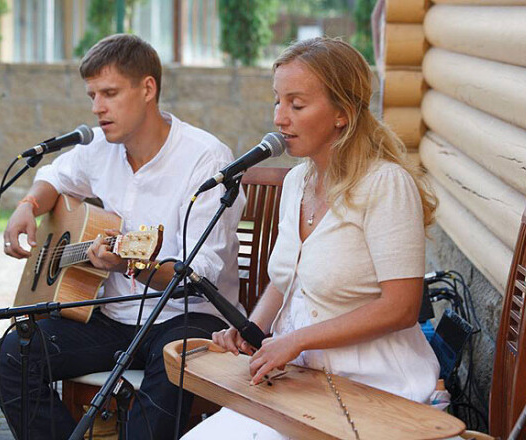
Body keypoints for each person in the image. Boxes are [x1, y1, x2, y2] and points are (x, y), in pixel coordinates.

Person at [0, 34, 244, 440]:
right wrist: (28, 206)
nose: (96, 107)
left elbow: (199, 273)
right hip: (112, 317)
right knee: (6, 359)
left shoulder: (206, 159)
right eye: (91, 94)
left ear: (148, 88)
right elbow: (54, 175)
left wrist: (129, 265)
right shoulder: (100, 148)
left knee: (175, 364)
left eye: (109, 93)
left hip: (186, 319)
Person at [182, 36, 440, 440]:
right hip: (300, 380)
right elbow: (286, 281)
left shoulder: (386, 185)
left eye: (297, 105)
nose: (280, 119)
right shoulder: (298, 180)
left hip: (374, 387)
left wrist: (296, 340)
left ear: (343, 113)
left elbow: (403, 307)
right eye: (277, 101)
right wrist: (251, 330)